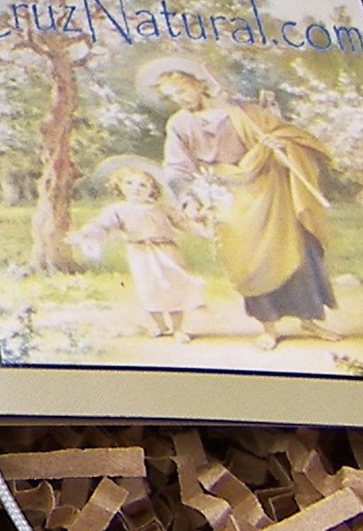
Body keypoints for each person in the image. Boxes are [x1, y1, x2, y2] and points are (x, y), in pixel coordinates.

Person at [141, 57, 335, 346]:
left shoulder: (242, 111)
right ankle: (268, 327)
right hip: (227, 194)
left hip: (270, 189)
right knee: (248, 261)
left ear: (198, 84)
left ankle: (309, 321)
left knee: (295, 252)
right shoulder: (179, 124)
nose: (179, 99)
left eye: (182, 91)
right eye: (172, 96)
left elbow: (288, 135)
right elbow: (177, 167)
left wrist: (281, 145)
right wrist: (189, 198)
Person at [74, 162, 206, 339]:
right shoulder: (118, 210)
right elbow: (102, 226)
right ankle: (160, 326)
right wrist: (87, 233)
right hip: (140, 253)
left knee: (173, 288)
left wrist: (201, 225)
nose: (136, 188)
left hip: (167, 251)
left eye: (142, 185)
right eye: (129, 183)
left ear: (152, 190)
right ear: (120, 186)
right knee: (148, 288)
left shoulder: (161, 208)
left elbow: (183, 223)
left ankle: (178, 329)